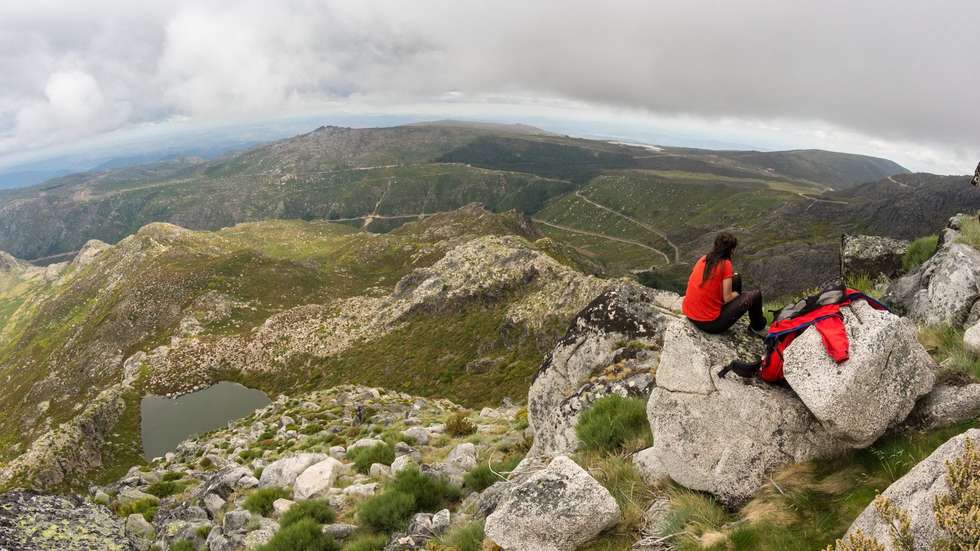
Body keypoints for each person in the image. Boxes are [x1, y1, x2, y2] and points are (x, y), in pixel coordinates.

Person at [682, 232, 767, 336]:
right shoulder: (725, 264)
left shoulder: (704, 258)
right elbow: (727, 298)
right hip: (709, 323)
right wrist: (737, 295)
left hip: (690, 313)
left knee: (736, 278)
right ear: (731, 250)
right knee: (755, 295)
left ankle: (732, 310)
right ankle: (757, 327)